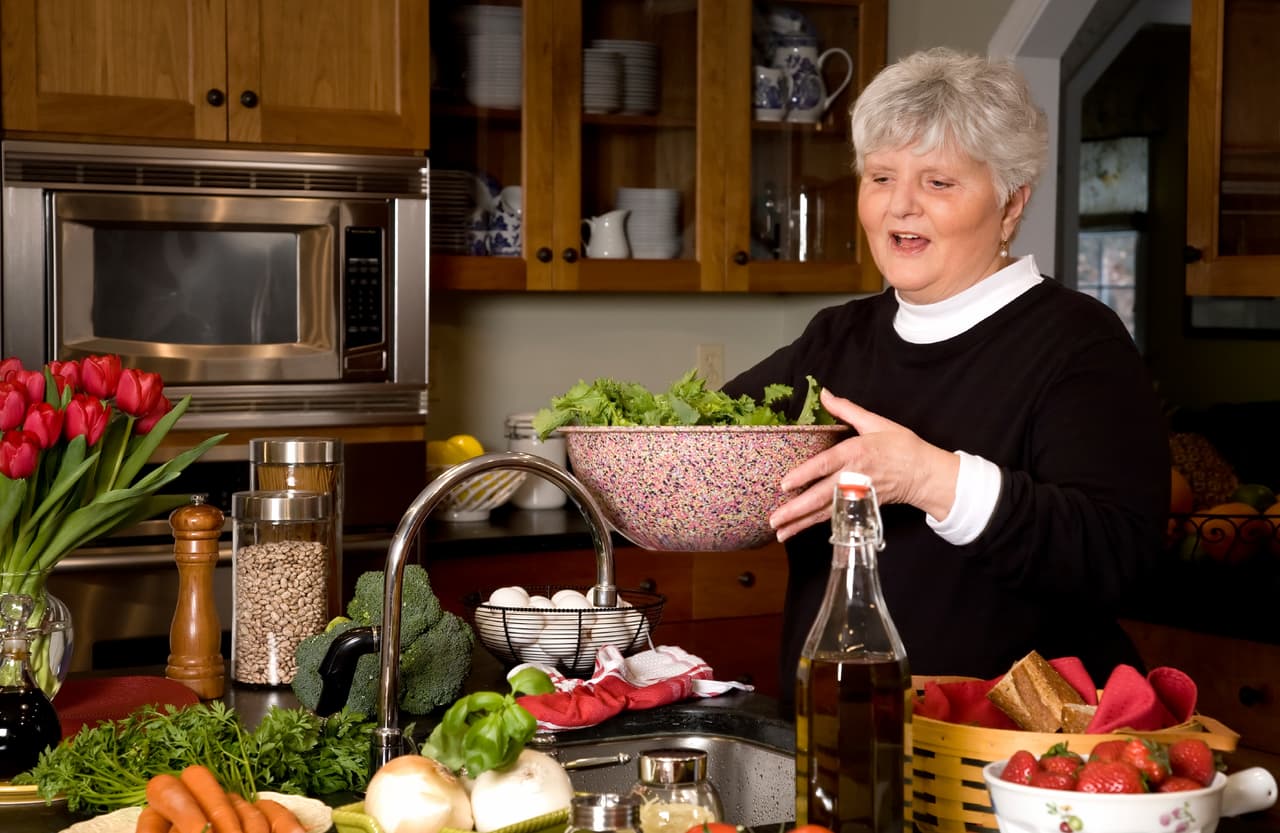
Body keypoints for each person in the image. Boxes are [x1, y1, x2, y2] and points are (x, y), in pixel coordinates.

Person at [721, 47, 1170, 702]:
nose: (900, 206)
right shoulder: (836, 338)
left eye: (938, 183)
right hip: (839, 731)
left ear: (1011, 205)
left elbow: (1118, 558)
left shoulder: (1079, 342)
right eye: (881, 177)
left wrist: (926, 476)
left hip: (1012, 748)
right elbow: (707, 443)